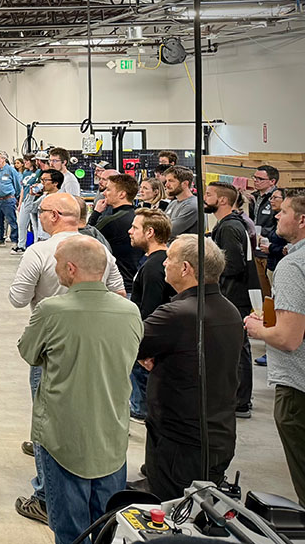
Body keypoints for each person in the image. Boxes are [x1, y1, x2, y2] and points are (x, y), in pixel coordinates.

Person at [9, 193, 126, 525]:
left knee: (48, 426)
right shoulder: (98, 251)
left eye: (42, 211)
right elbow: (118, 292)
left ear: (55, 216)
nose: (39, 215)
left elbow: (18, 299)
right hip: (96, 343)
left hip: (51, 347)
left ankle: (46, 496)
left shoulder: (39, 252)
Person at [19, 235, 142, 544]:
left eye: (59, 264)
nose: (57, 269)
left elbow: (29, 352)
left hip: (63, 436)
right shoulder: (129, 311)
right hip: (111, 434)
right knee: (106, 525)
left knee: (70, 530)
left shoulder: (51, 310)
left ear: (70, 269)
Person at [137, 235, 241, 500]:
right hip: (217, 434)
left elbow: (127, 346)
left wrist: (148, 356)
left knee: (170, 512)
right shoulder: (229, 310)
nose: (164, 264)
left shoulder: (176, 314)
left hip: (178, 439)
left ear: (186, 268)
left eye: (169, 259)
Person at [246, 193, 305, 505]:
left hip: (298, 388)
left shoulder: (293, 266)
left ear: (301, 220)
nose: (276, 218)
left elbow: (288, 338)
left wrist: (258, 329)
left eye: (282, 212)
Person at [206, 181, 259, 419]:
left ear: (223, 200)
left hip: (234, 295)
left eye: (208, 194)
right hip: (232, 294)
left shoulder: (229, 228)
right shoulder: (227, 225)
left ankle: (240, 401)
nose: (204, 198)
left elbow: (234, 264)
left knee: (237, 348)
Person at [127, 208, 176, 422]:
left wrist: (143, 348)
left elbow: (151, 309)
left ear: (150, 233)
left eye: (135, 228)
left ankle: (142, 409)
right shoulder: (153, 262)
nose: (130, 231)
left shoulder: (155, 266)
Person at [94, 174, 144, 295]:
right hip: (134, 285)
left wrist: (95, 213)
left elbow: (87, 237)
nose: (104, 193)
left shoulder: (111, 221)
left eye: (109, 189)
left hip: (117, 287)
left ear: (122, 194)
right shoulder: (139, 217)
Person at [252, 165, 281, 297]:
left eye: (260, 178)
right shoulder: (256, 197)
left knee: (273, 291)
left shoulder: (278, 199)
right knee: (264, 290)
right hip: (257, 249)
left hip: (271, 249)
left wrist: (267, 238)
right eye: (254, 177)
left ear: (272, 181)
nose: (255, 180)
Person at [0, 150, 21, 247]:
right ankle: (0, 238)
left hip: (8, 199)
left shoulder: (10, 170)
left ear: (4, 159)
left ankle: (15, 240)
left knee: (11, 220)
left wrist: (16, 197)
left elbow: (17, 184)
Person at [14, 156, 42, 254]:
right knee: (22, 224)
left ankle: (36, 246)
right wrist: (20, 203)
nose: (25, 162)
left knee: (35, 225)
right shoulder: (25, 173)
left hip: (34, 201)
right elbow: (22, 188)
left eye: (27, 161)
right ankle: (21, 245)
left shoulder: (39, 172)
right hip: (25, 200)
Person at [163, 166, 199, 239]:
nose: (166, 185)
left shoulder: (192, 206)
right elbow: (161, 223)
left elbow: (167, 231)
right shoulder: (173, 203)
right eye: (166, 181)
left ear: (185, 184)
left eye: (171, 181)